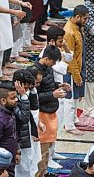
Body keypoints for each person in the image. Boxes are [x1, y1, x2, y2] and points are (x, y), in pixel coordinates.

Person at [35, 45, 66, 177]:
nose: (54, 64)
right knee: (42, 148)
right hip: (42, 112)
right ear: (46, 58)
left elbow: (49, 85)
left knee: (47, 146)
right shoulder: (34, 72)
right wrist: (52, 95)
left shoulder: (48, 68)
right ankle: (39, 174)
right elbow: (34, 97)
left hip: (51, 110)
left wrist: (60, 86)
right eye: (53, 61)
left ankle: (45, 172)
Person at [63, 5, 88, 134]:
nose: (86, 21)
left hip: (79, 66)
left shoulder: (77, 28)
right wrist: (77, 75)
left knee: (76, 97)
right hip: (71, 70)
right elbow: (70, 58)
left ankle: (72, 118)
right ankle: (69, 125)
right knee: (70, 98)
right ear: (77, 17)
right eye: (85, 18)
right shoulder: (69, 32)